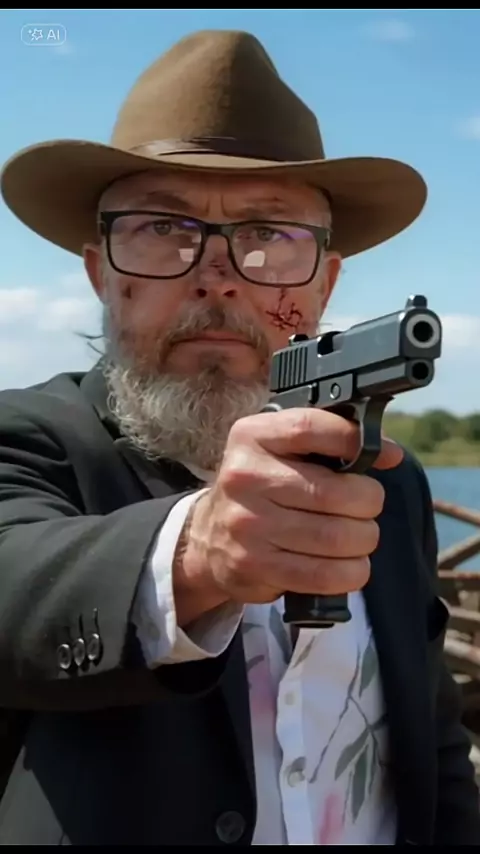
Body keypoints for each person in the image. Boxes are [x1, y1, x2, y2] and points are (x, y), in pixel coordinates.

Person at [0, 28, 478, 847]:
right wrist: (199, 554)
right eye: (163, 228)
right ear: (101, 273)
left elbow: (432, 743)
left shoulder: (388, 483)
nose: (216, 276)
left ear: (324, 284)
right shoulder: (27, 438)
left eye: (269, 235)